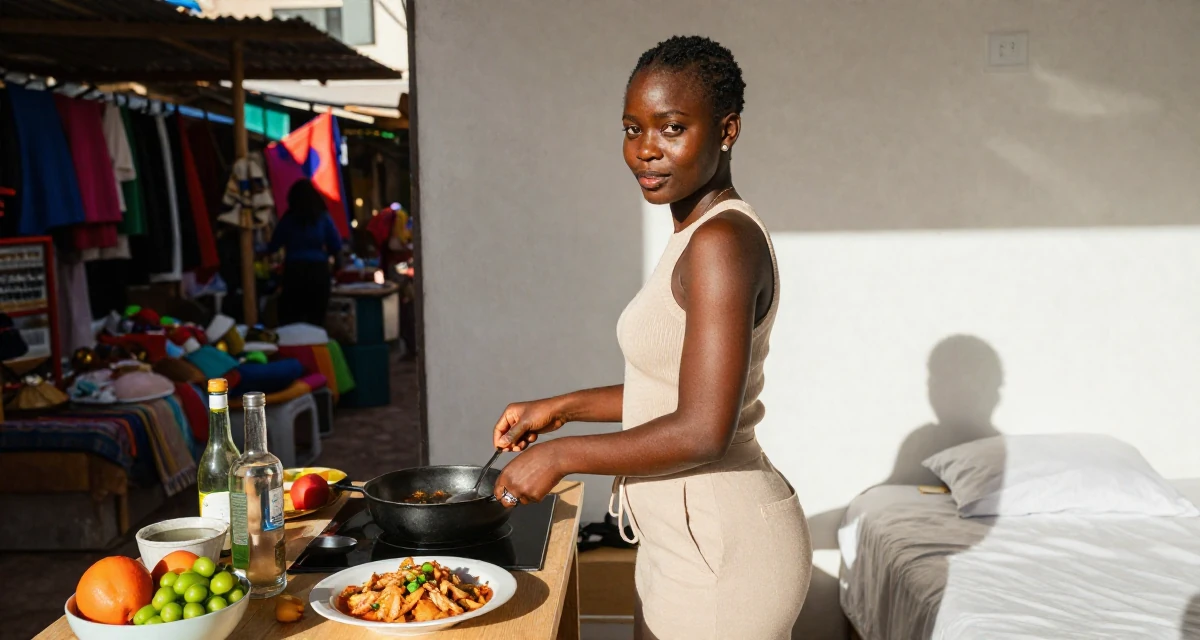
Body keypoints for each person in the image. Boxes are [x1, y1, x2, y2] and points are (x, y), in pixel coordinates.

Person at [491, 36, 812, 639]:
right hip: (681, 537)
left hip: (724, 548)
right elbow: (671, 386)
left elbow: (701, 429)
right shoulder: (696, 234)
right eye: (632, 128)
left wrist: (560, 456)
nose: (645, 150)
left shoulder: (720, 244)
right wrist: (564, 408)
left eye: (671, 128)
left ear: (727, 129)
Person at [267, 179, 342, 326]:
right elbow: (336, 245)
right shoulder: (323, 218)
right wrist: (337, 268)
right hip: (318, 273)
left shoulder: (288, 219)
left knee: (292, 318)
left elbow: (274, 245)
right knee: (316, 319)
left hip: (294, 273)